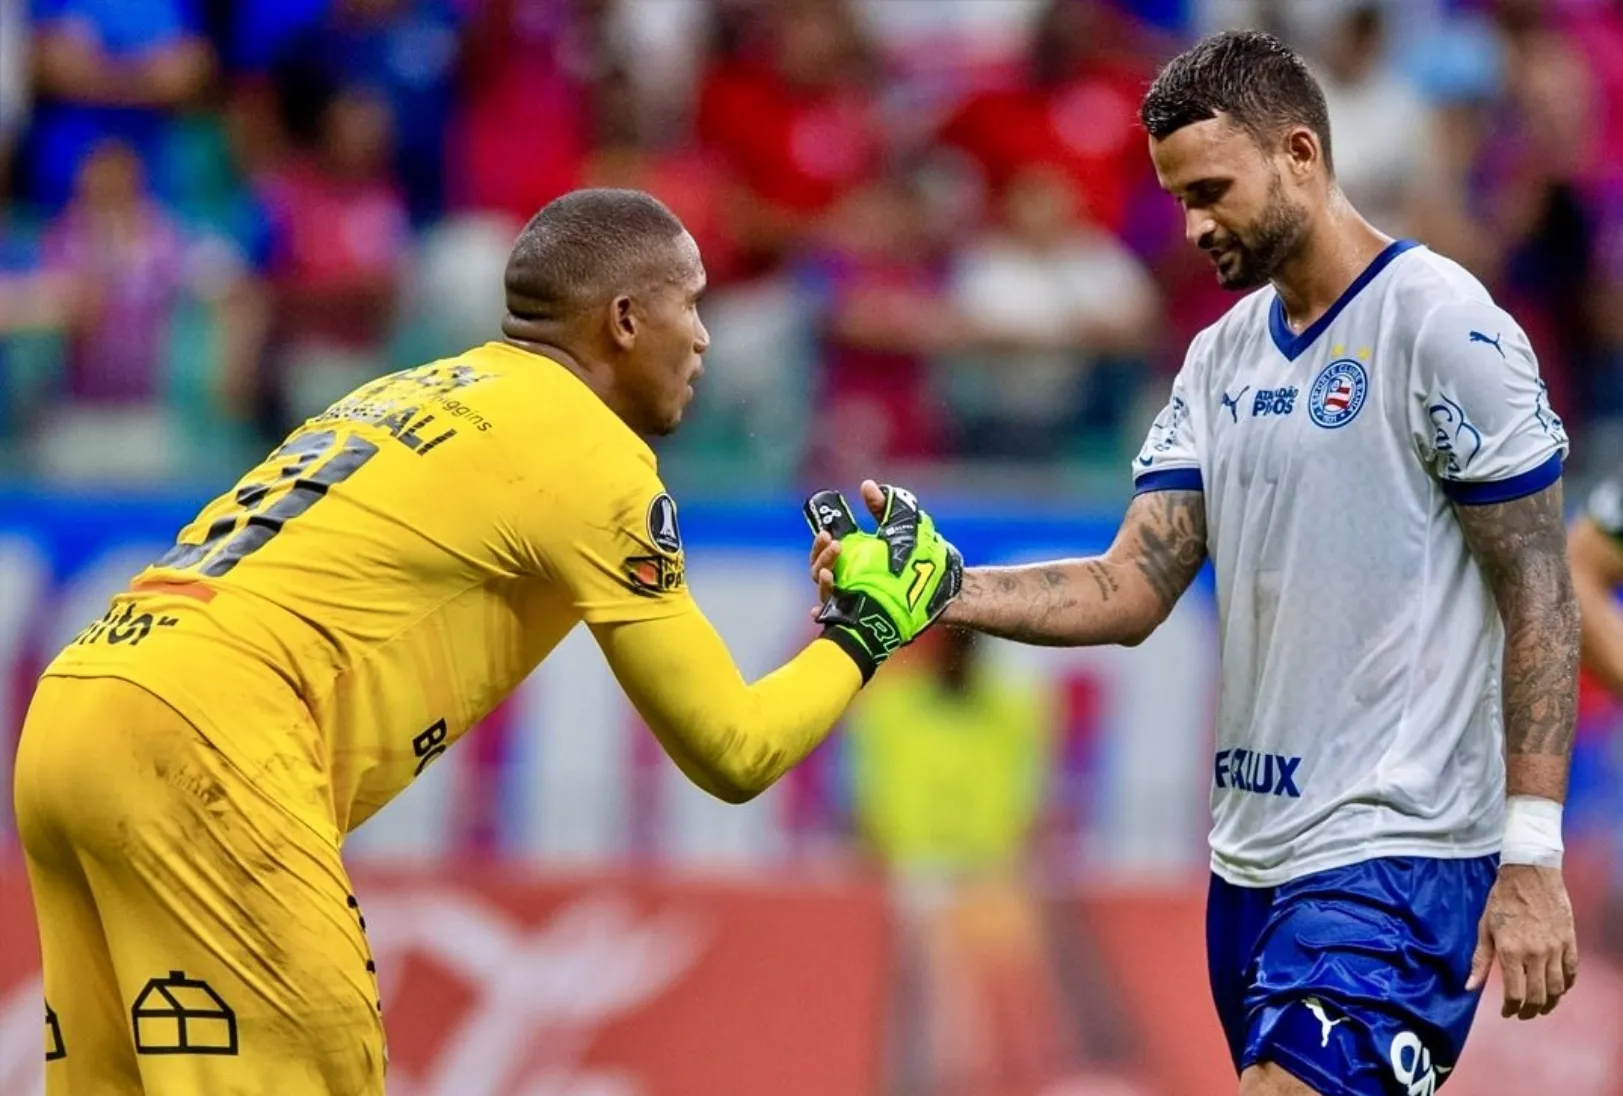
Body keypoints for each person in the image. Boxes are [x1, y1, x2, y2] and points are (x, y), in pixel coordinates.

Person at [13, 188, 960, 1096]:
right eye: (694, 305)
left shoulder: (408, 389)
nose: (706, 338)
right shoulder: (589, 454)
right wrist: (867, 631)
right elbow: (732, 749)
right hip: (207, 736)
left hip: (77, 713)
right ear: (625, 320)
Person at [812, 30, 1579, 1096]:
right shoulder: (1221, 356)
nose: (1192, 225)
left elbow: (1541, 590)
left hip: (1398, 855)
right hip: (1250, 870)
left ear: (1301, 155)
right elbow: (1132, 586)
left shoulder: (1441, 326)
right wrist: (946, 589)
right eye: (1178, 197)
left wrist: (1532, 852)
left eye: (1213, 189)